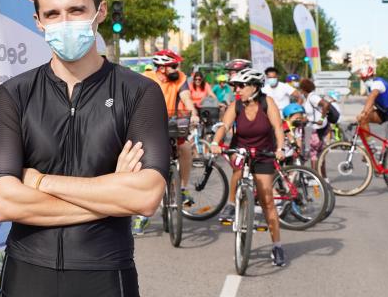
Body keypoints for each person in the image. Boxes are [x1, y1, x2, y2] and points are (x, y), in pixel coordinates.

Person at [0, 0, 168, 296]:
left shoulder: (139, 92)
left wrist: (40, 181)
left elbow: (145, 196)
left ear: (100, 12)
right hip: (25, 275)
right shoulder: (14, 95)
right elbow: (4, 202)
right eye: (52, 14)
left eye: (76, 10)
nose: (64, 23)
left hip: (106, 274)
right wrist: (112, 192)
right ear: (38, 22)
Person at [210, 68, 287, 267]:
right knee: (237, 168)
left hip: (264, 153)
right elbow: (224, 126)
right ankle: (233, 204)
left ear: (254, 86)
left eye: (242, 86)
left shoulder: (266, 102)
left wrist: (280, 148)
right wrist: (215, 142)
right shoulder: (235, 105)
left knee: (267, 199)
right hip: (241, 150)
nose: (238, 89)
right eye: (236, 85)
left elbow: (278, 127)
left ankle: (277, 245)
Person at [137, 49, 200, 234]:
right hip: (150, 123)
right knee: (145, 164)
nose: (176, 68)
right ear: (162, 68)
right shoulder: (146, 77)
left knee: (186, 148)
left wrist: (194, 114)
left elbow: (187, 99)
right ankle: (142, 216)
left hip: (172, 122)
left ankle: (182, 188)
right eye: (173, 65)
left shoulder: (180, 77)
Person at [356, 65, 388, 195]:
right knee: (363, 120)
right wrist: (364, 114)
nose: (364, 81)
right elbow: (371, 101)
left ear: (371, 76)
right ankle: (371, 147)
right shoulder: (370, 86)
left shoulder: (378, 84)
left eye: (365, 78)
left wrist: (364, 111)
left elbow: (372, 97)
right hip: (383, 112)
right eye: (363, 79)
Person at [298, 78, 331, 171]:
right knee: (318, 154)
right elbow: (311, 114)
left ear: (303, 89)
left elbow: (326, 104)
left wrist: (321, 118)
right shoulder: (308, 98)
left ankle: (315, 177)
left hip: (316, 129)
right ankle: (322, 178)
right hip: (312, 128)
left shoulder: (312, 97)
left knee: (313, 153)